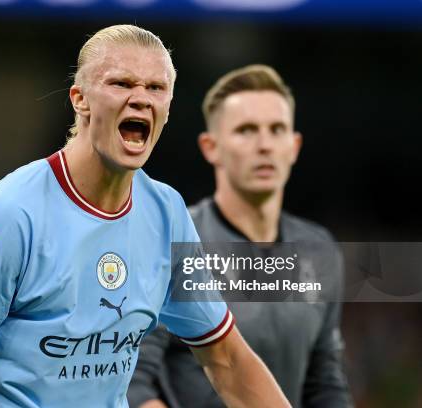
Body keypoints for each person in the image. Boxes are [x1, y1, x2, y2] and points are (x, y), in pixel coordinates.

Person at [0, 27, 290, 408]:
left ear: (168, 107)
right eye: (121, 83)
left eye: (155, 88)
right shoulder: (7, 218)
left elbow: (227, 359)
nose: (141, 98)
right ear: (79, 99)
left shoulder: (167, 212)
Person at [128, 65, 352, 408]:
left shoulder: (318, 250)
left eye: (276, 130)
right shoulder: (172, 239)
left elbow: (325, 384)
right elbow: (133, 380)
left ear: (293, 146)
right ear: (210, 147)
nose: (264, 145)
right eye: (246, 130)